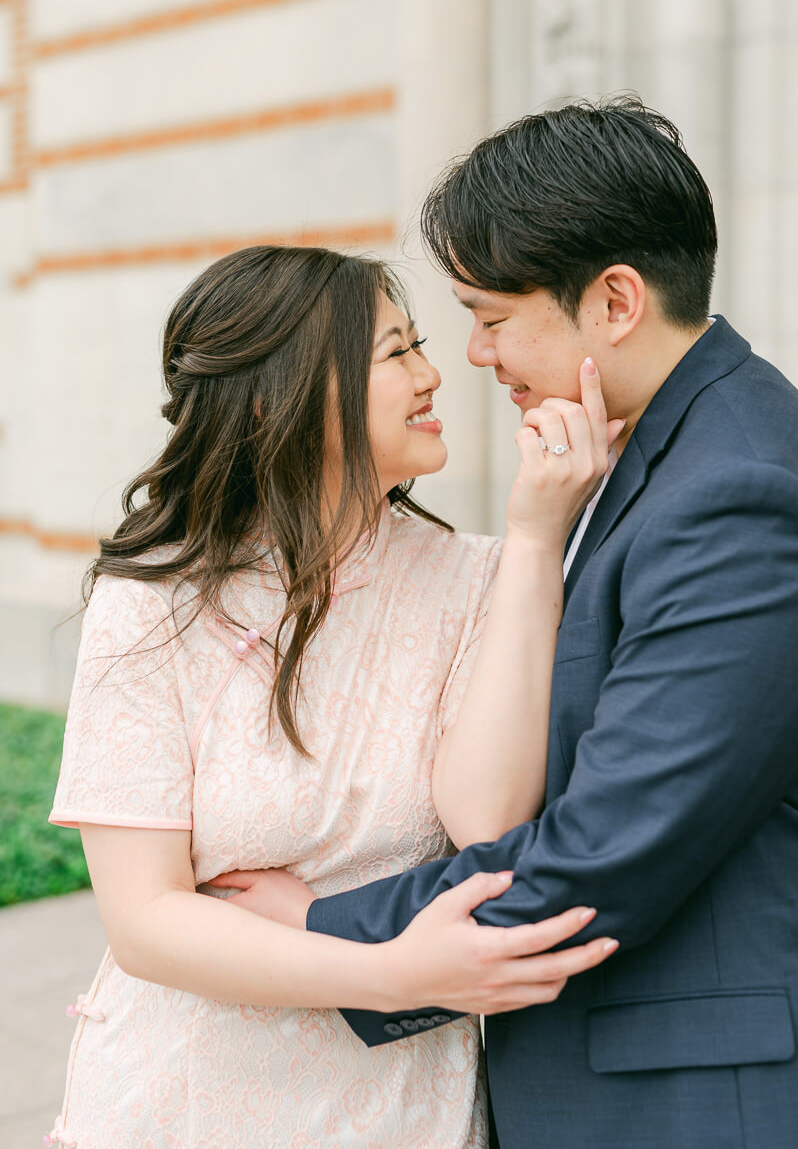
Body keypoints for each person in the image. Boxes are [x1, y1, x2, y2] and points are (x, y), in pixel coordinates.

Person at [237, 99, 798, 1148]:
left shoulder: (738, 491)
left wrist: (322, 934)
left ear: (616, 300)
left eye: (492, 317)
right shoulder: (643, 452)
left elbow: (607, 851)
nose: (474, 356)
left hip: (688, 1104)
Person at [46, 244, 621, 1149]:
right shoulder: (154, 602)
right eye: (395, 353)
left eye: (419, 344)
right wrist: (392, 972)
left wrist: (537, 534)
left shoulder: (481, 578)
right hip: (186, 1106)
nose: (435, 374)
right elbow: (146, 921)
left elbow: (486, 815)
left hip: (407, 1112)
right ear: (280, 397)